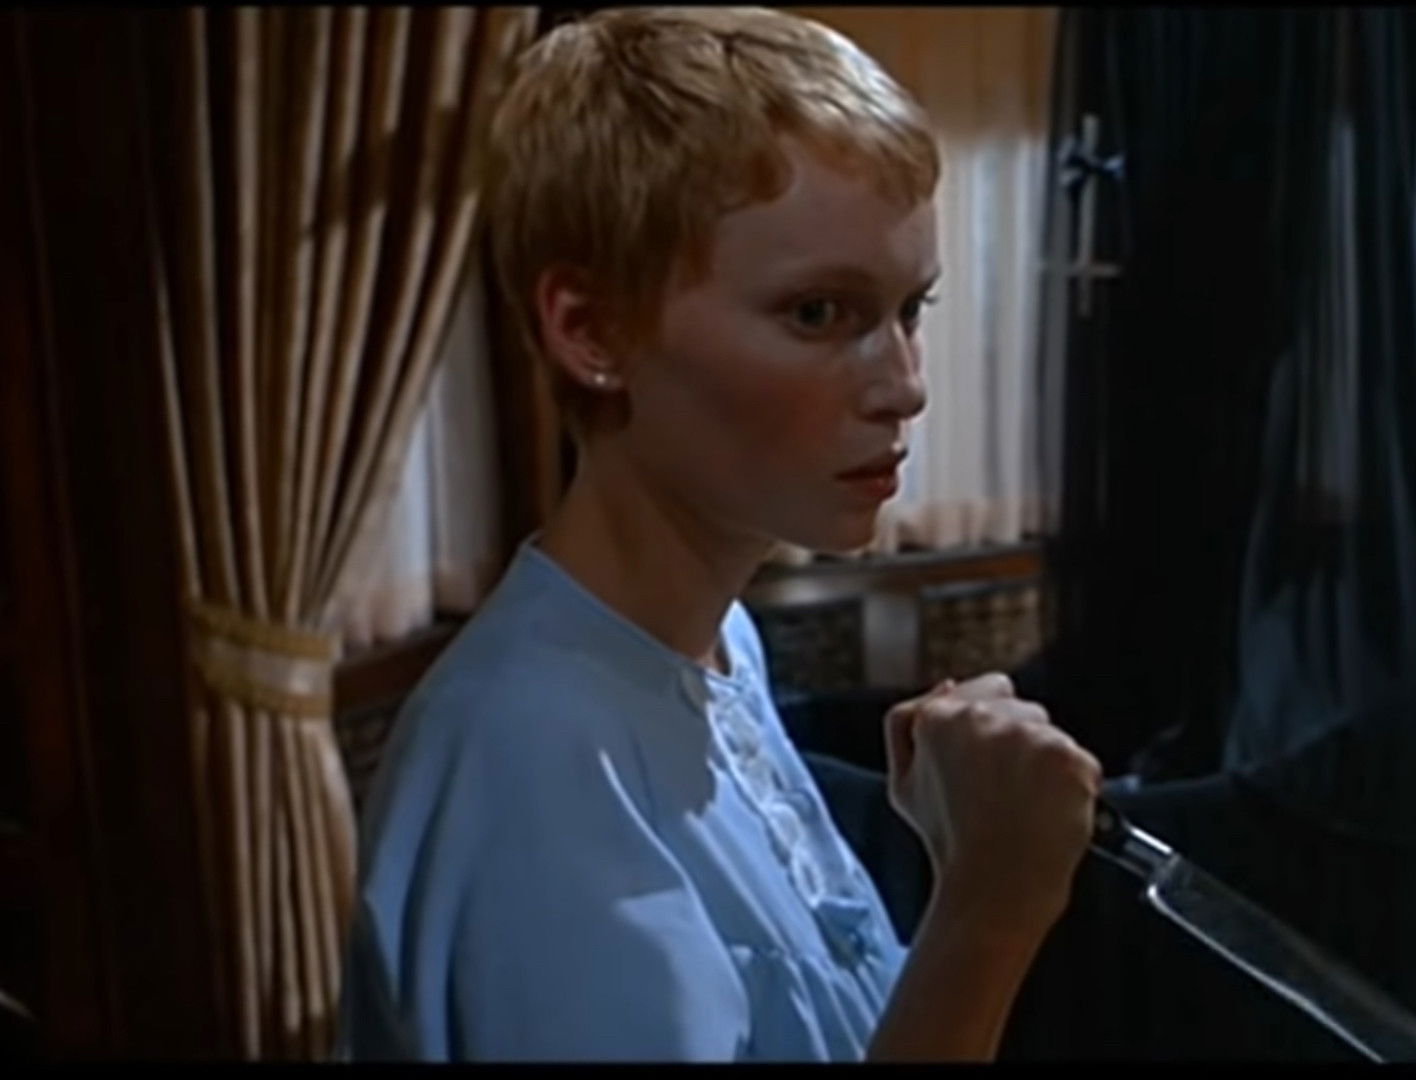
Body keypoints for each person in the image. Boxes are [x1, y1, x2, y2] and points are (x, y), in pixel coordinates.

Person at [337, 6, 1104, 1063]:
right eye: (818, 313)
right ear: (593, 331)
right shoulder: (531, 767)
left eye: (910, 310)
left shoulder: (712, 638)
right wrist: (990, 908)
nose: (906, 386)